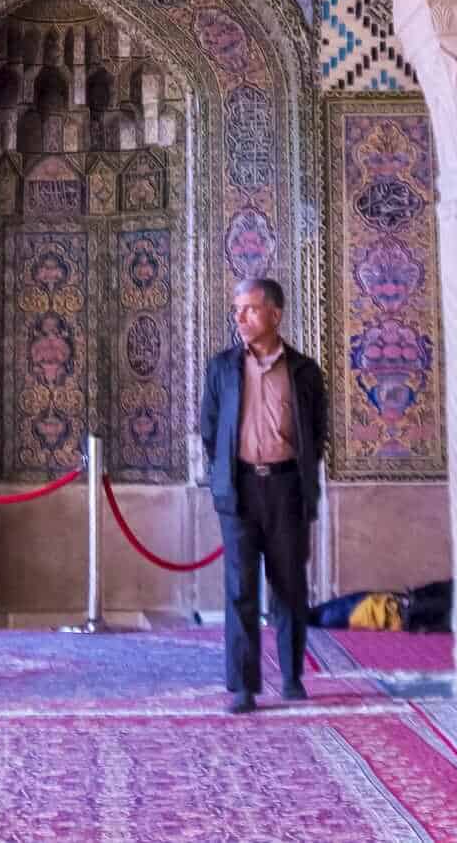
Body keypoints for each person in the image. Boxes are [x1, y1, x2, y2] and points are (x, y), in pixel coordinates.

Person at [200, 274, 328, 713]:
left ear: (275, 313)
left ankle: (292, 677)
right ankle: (243, 684)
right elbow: (211, 429)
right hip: (239, 489)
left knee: (289, 585)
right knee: (240, 587)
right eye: (237, 308)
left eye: (250, 308)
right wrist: (226, 474)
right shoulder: (221, 368)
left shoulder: (305, 372)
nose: (240, 317)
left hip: (287, 487)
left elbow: (316, 433)